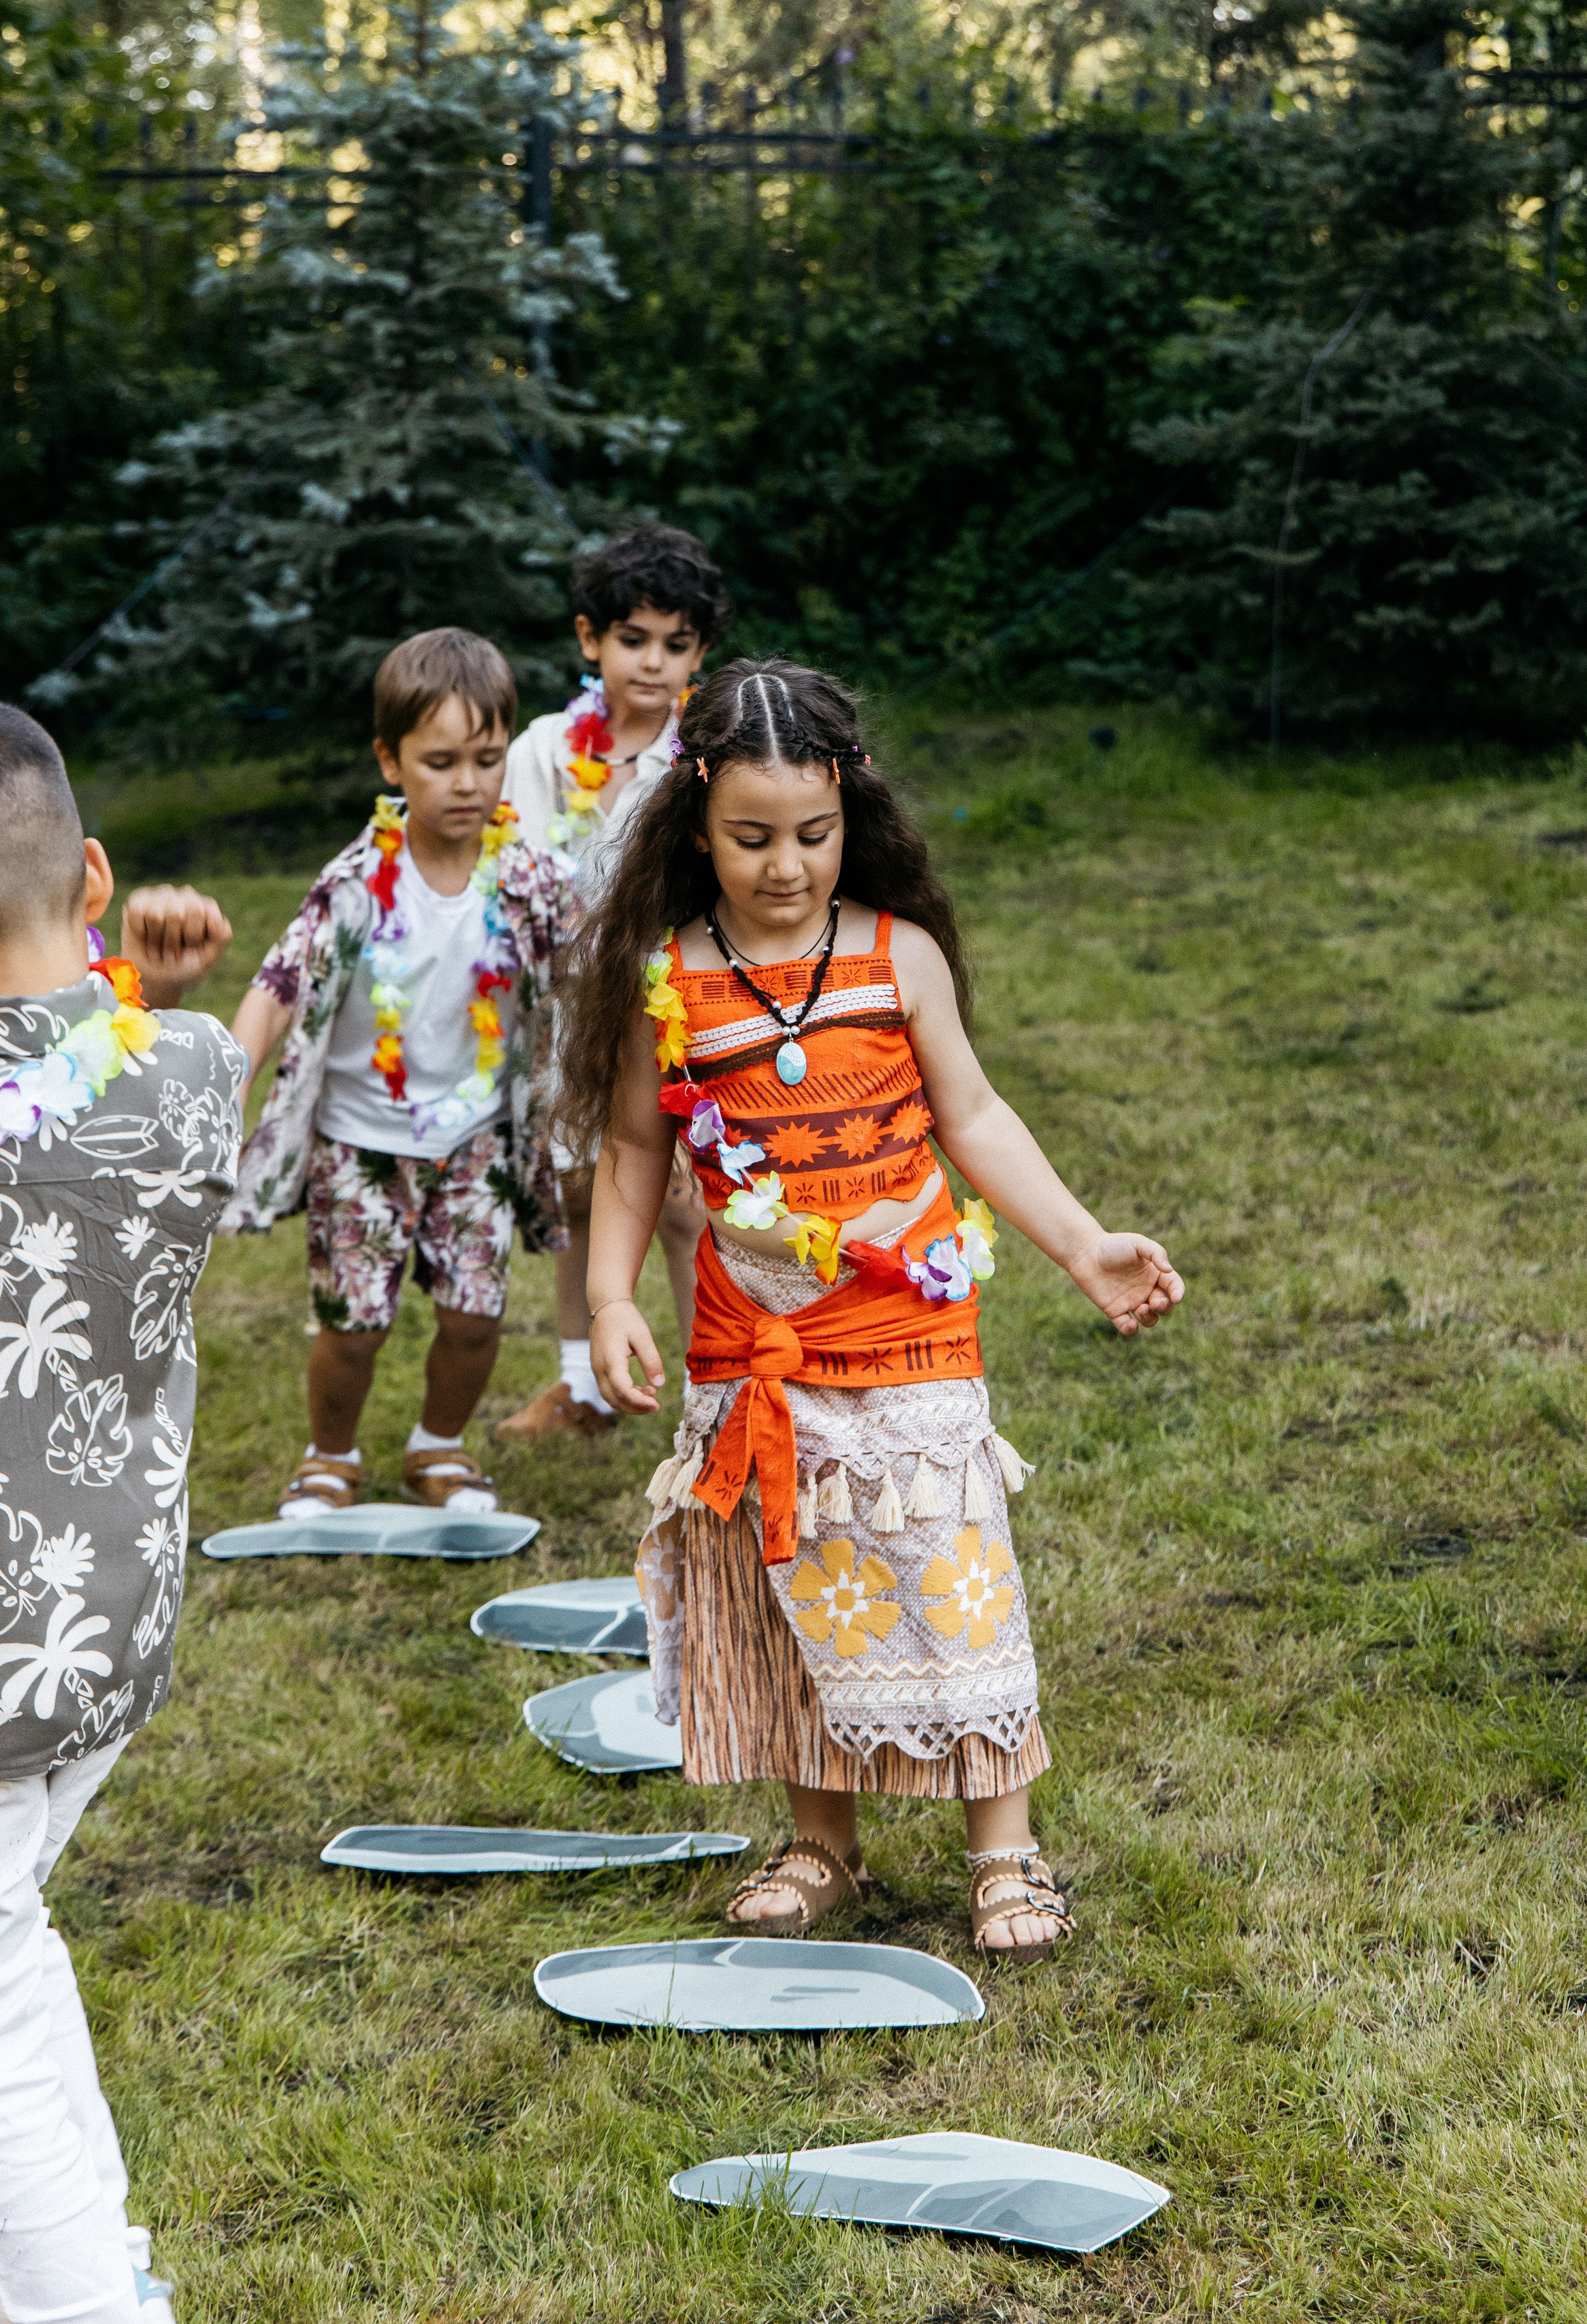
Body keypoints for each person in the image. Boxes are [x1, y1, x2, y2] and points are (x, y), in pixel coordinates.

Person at [563, 660, 1185, 1962]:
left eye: (811, 834)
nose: (785, 865)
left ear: (851, 812)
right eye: (750, 838)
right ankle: (821, 1841)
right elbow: (633, 1152)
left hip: (906, 1329)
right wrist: (613, 1293)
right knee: (802, 1581)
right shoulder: (669, 980)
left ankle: (1003, 1848)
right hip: (759, 1344)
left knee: (949, 1573)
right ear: (693, 826)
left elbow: (974, 1116)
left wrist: (1084, 1248)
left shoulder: (894, 955)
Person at [0, 695, 242, 2320]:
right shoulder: (188, 1068)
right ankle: (79, 2253)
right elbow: (102, 1038)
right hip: (109, 1632)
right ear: (93, 878)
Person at [126, 627, 570, 1519]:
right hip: (360, 1144)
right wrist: (229, 1080)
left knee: (476, 1316)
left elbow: (589, 979)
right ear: (389, 759)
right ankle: (330, 1455)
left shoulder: (528, 877)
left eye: (487, 759)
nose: (467, 783)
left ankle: (438, 1448)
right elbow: (278, 985)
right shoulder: (358, 882)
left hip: (476, 1139)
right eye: (440, 761)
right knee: (354, 1325)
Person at [496, 524, 731, 1442]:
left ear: (699, 653)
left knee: (681, 1200)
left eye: (677, 645)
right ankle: (581, 1385)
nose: (654, 662)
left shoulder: (698, 757)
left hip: (668, 1006)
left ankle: (719, 1388)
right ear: (591, 638)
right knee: (581, 1191)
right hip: (564, 1007)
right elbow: (509, 861)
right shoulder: (548, 749)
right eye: (634, 639)